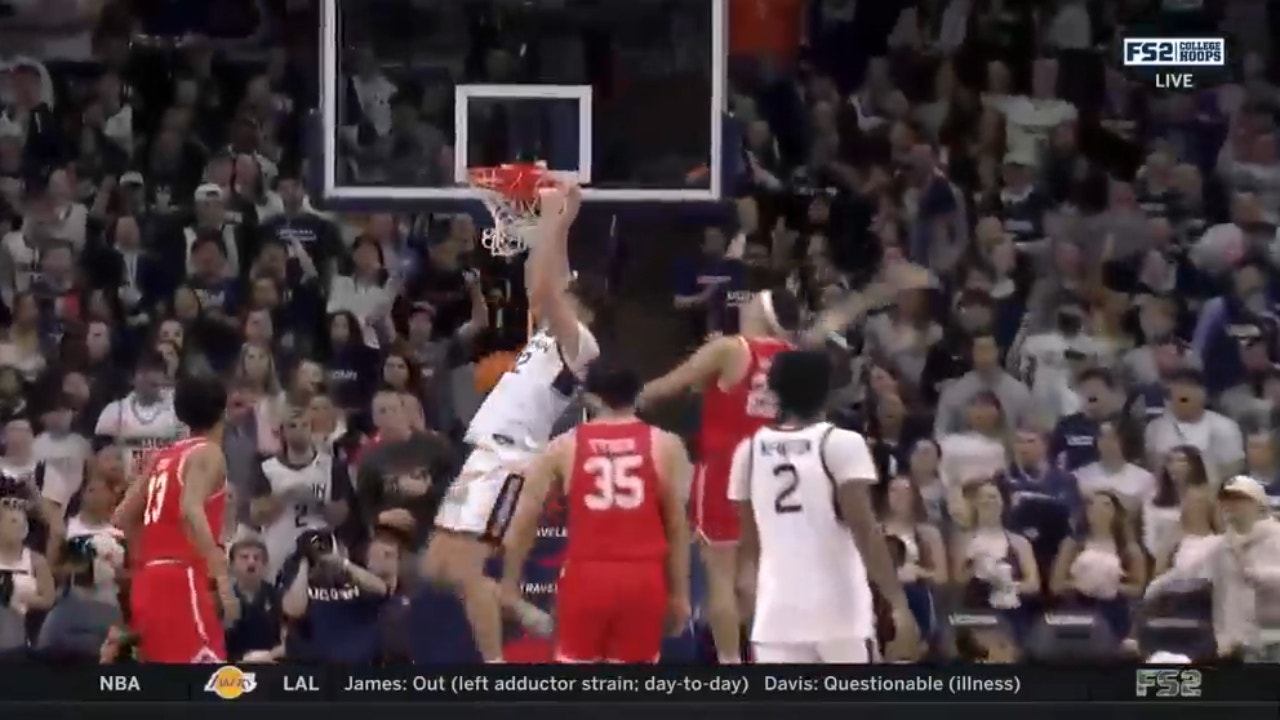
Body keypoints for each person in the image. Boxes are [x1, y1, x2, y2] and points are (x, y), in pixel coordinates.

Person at [423, 182, 604, 662]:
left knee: (467, 571)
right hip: (485, 451)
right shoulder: (552, 329)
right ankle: (514, 605)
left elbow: (543, 286)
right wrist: (561, 222)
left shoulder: (581, 344)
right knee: (437, 566)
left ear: (578, 301)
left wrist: (546, 218)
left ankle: (496, 671)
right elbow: (541, 280)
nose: (555, 290)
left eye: (566, 290)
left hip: (510, 458)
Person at [637, 287, 801, 664]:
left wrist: (621, 399)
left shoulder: (729, 348)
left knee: (721, 578)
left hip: (728, 470)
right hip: (776, 471)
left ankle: (730, 666)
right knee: (755, 578)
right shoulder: (794, 358)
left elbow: (666, 387)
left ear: (760, 311)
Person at [728, 349, 919, 663]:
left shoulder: (747, 452)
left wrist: (749, 609)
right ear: (826, 390)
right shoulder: (841, 442)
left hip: (777, 614)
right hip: (840, 613)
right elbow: (866, 532)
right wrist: (898, 603)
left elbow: (749, 546)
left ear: (775, 390)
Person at [502, 361, 692, 663]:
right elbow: (677, 527)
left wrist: (510, 587)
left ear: (591, 398)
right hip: (643, 577)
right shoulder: (667, 445)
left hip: (586, 575)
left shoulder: (563, 447)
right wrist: (680, 593)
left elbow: (523, 520)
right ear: (637, 394)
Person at [110, 374, 236, 663]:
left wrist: (148, 560)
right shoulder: (209, 453)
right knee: (215, 685)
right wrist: (218, 567)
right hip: (182, 580)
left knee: (167, 688)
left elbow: (121, 517)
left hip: (147, 581)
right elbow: (190, 507)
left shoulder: (162, 456)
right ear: (223, 411)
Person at [250, 402, 353, 583]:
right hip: (279, 549)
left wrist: (317, 502)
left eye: (304, 425)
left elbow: (341, 516)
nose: (299, 431)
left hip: (320, 549)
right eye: (292, 426)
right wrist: (284, 497)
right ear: (282, 431)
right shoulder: (266, 468)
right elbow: (257, 516)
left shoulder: (332, 466)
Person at [94, 351, 187, 483]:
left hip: (165, 483)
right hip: (124, 485)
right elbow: (101, 456)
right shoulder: (115, 411)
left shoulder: (177, 411)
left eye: (156, 371)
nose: (150, 377)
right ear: (132, 378)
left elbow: (186, 452)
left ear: (164, 377)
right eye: (144, 372)